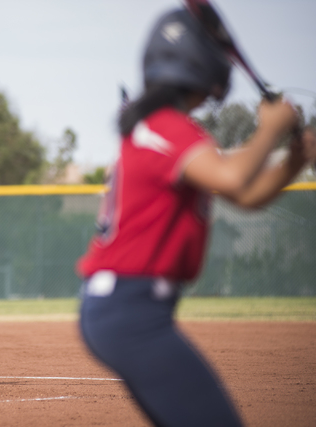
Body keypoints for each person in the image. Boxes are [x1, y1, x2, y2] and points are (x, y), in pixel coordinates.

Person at [76, 9, 316, 427]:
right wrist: (271, 130)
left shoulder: (164, 129)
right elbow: (236, 179)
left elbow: (248, 194)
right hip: (130, 311)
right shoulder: (167, 127)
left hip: (127, 309)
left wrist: (293, 162)